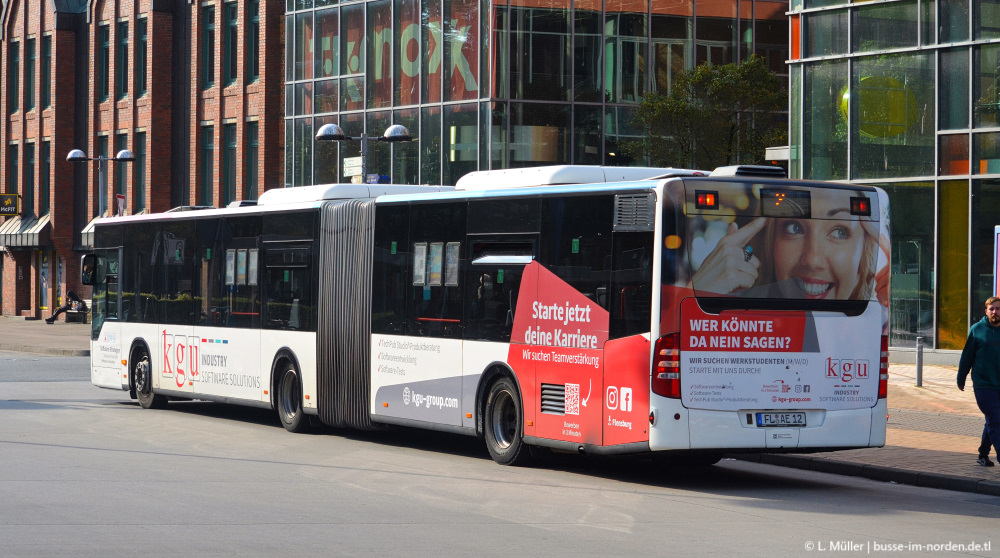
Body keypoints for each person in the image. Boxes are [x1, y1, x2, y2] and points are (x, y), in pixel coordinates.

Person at [691, 189, 883, 303]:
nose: (812, 260)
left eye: (839, 232)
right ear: (770, 245)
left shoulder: (875, 322)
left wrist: (887, 303)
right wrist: (696, 298)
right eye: (795, 228)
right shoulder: (735, 319)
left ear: (863, 256)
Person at [957, 297, 1000, 467]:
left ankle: (983, 454)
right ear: (986, 311)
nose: (995, 312)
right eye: (992, 309)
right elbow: (967, 356)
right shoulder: (977, 330)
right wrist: (961, 378)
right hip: (984, 385)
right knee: (996, 419)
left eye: (998, 309)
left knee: (993, 419)